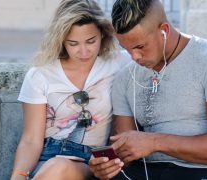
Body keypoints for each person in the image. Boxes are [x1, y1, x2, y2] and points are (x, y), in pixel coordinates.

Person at [89, 0, 207, 180]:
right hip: (148, 172)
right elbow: (124, 152)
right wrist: (107, 165)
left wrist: (155, 142)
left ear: (164, 30)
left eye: (140, 47)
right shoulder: (125, 78)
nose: (134, 57)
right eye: (126, 48)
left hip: (205, 172)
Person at [10, 0, 130, 179]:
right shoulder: (40, 74)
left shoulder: (119, 63)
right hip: (48, 158)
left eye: (91, 41)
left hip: (93, 161)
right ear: (61, 41)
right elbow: (30, 140)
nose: (83, 51)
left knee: (60, 167)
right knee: (56, 167)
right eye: (73, 43)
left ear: (102, 34)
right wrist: (18, 175)